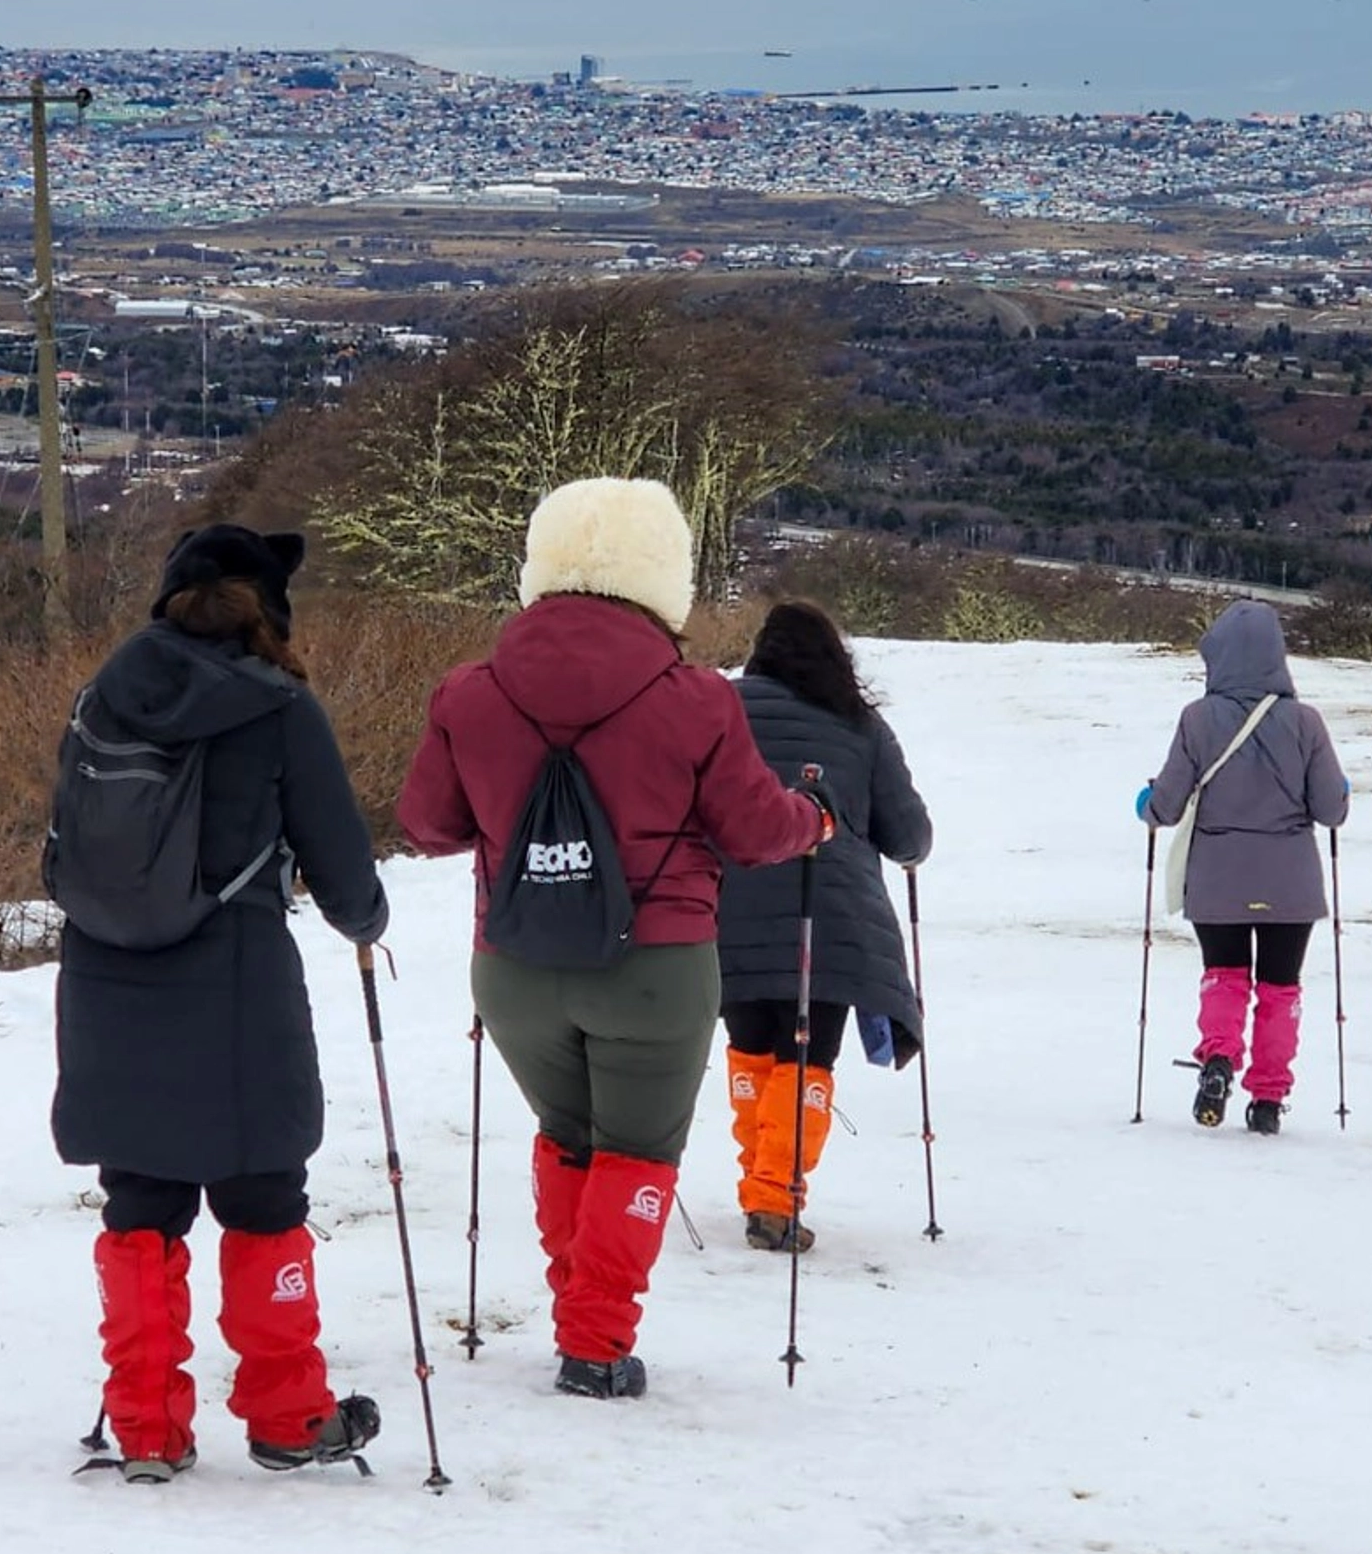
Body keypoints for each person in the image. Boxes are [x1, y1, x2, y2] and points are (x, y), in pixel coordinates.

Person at [396, 476, 831, 1400]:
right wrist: (816, 821)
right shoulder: (699, 699)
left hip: (514, 968)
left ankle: (577, 1311)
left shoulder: (468, 693)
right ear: (659, 577)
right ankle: (594, 1344)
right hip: (656, 969)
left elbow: (427, 827)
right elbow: (757, 833)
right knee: (637, 1151)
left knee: (568, 1137)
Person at [50, 524, 388, 1483]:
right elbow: (345, 873)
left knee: (142, 1203)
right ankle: (288, 1417)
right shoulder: (279, 708)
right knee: (263, 1196)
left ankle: (148, 1427)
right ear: (267, 611)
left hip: (108, 982)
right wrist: (369, 921)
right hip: (236, 984)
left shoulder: (101, 698)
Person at [716, 601, 933, 1251]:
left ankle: (761, 1183)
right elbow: (909, 837)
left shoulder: (721, 710)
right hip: (831, 918)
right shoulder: (860, 726)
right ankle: (773, 1194)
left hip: (728, 906)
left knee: (751, 1047)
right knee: (806, 1055)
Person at [1138, 599, 1348, 1135]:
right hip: (1291, 882)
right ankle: (1269, 1099)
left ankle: (1218, 1060)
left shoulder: (1198, 719)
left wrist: (1144, 802)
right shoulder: (1306, 722)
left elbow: (1163, 807)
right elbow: (1331, 810)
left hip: (1218, 877)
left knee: (1224, 975)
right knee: (1281, 987)